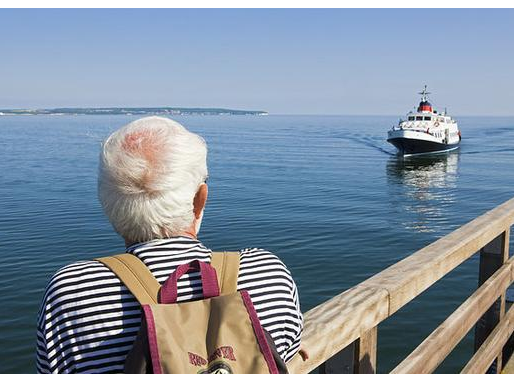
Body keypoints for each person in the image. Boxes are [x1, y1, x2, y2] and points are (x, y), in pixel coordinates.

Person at [36, 117, 303, 374]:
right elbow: (285, 353)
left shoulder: (71, 291)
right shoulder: (268, 272)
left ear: (107, 204)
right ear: (200, 199)